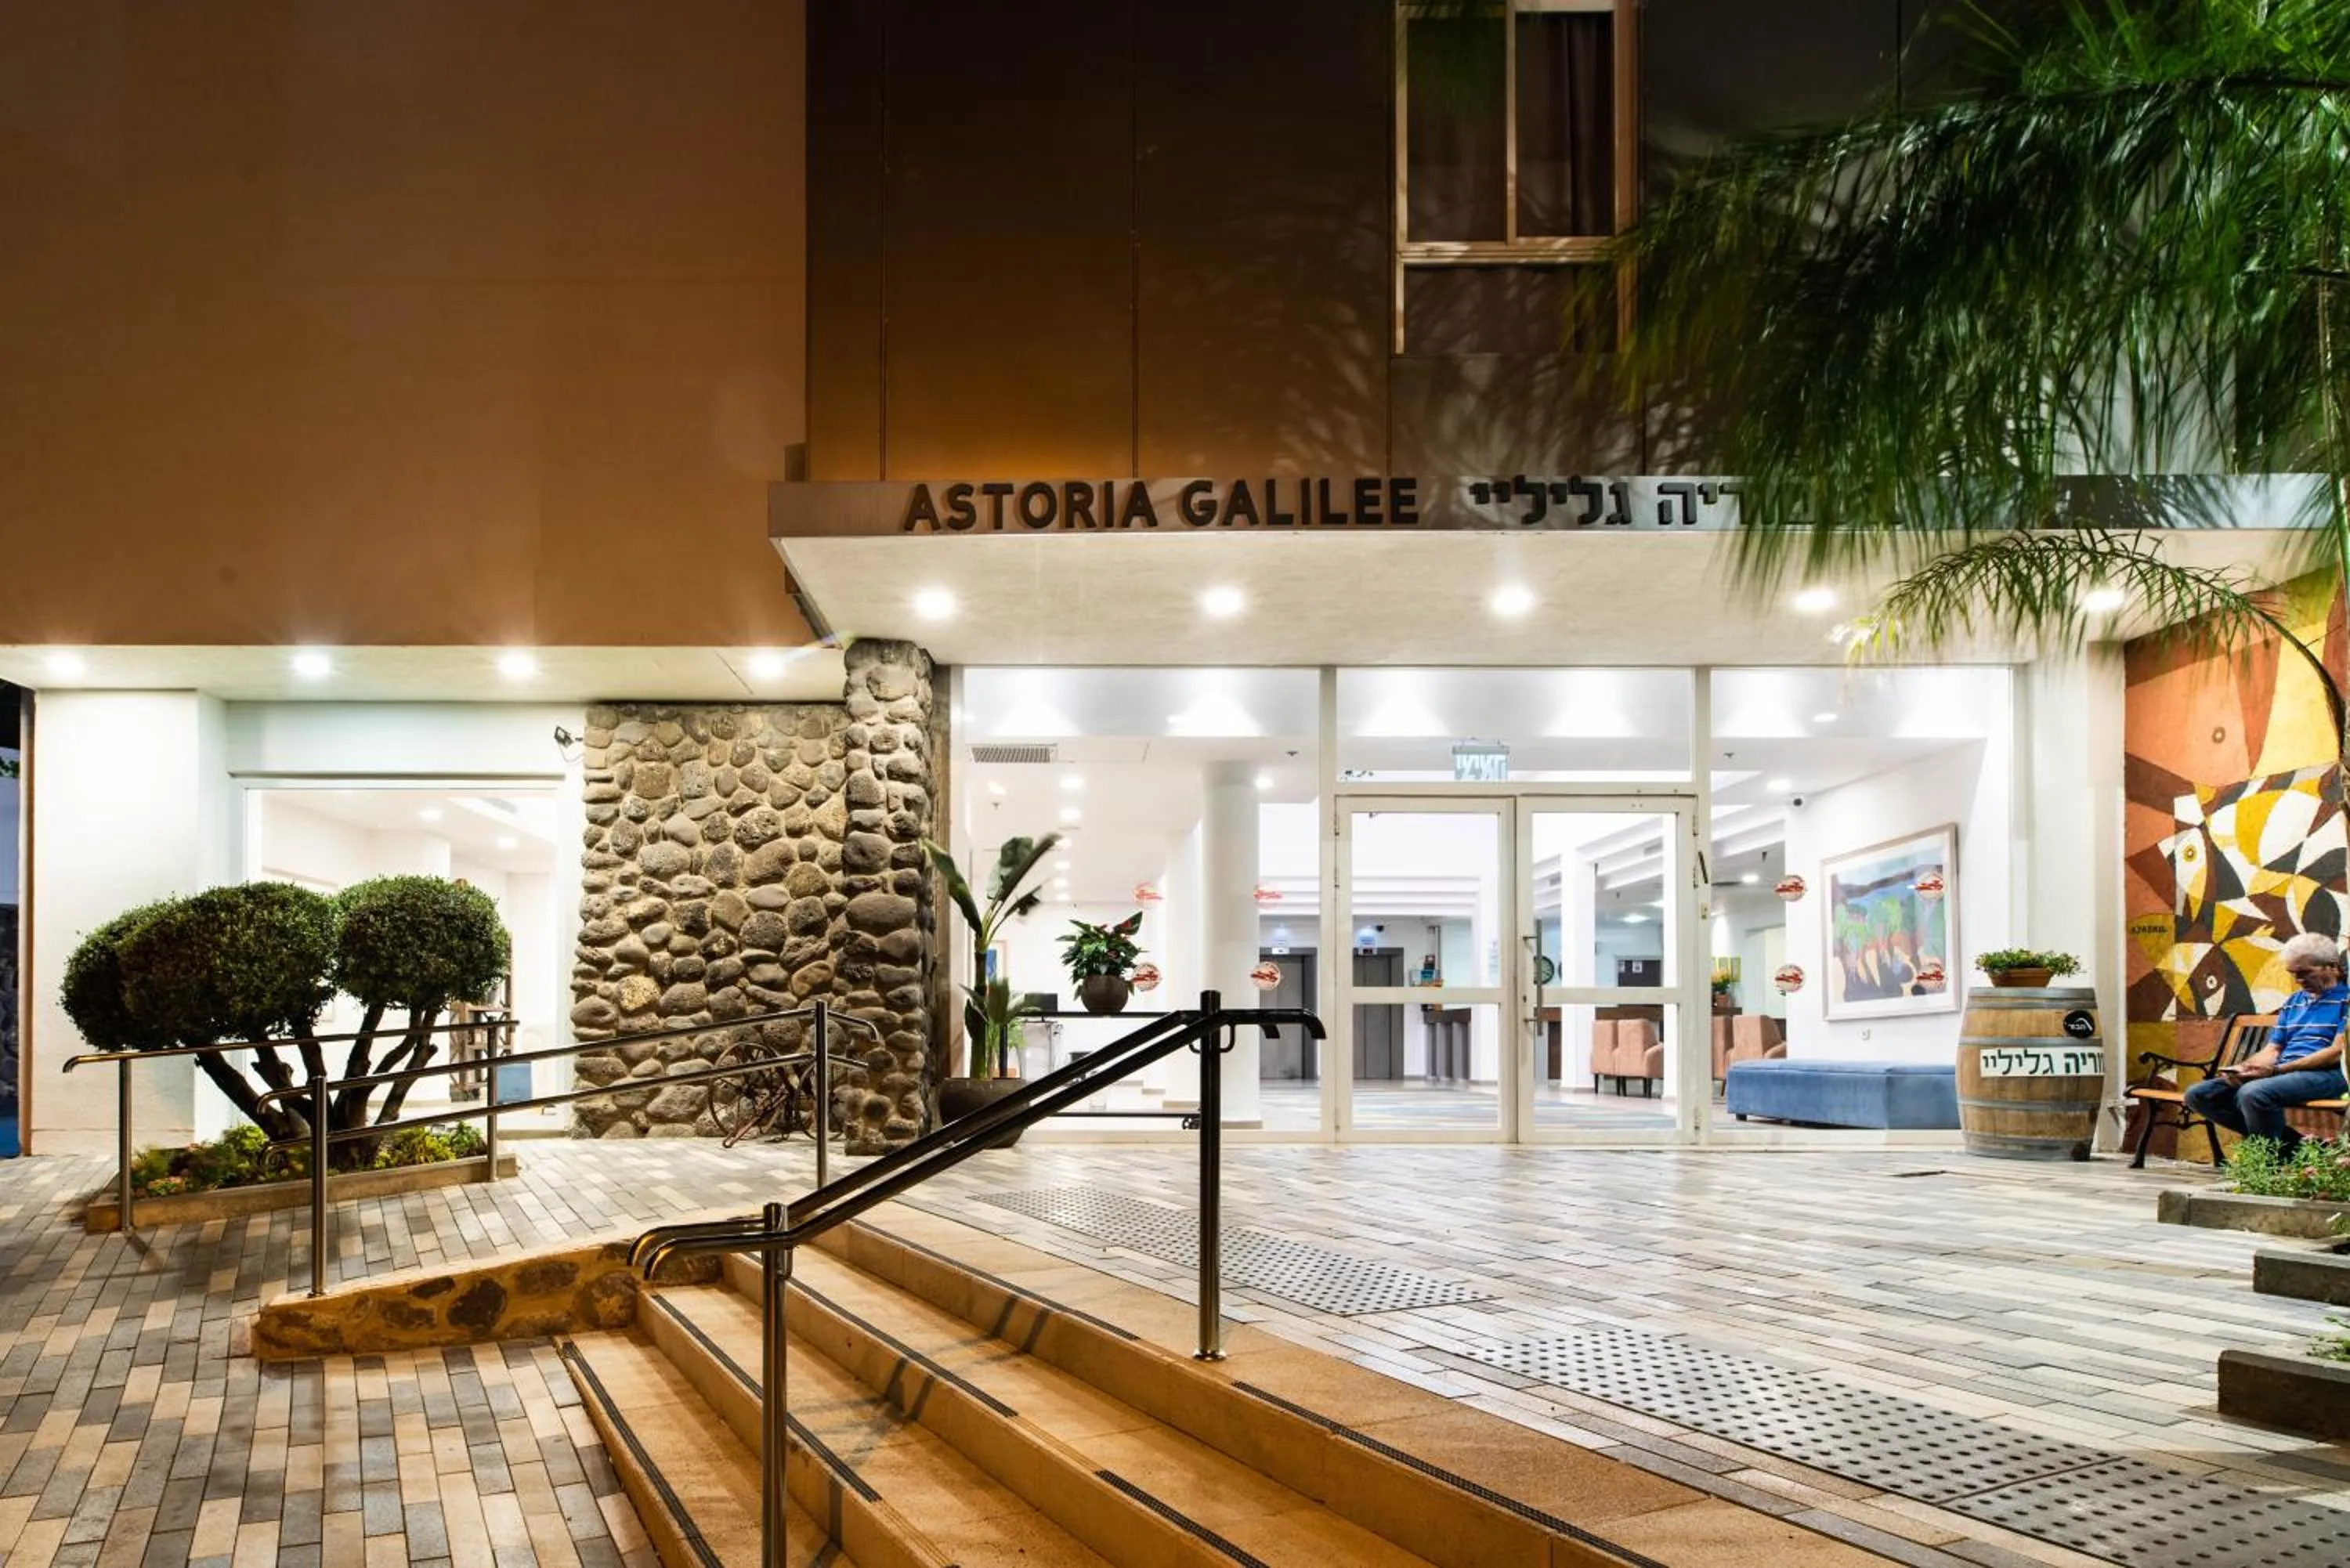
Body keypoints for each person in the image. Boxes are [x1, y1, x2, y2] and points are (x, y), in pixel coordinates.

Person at [2183, 932, 2349, 1154]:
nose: (2298, 980)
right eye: (2293, 974)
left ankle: (2267, 1161)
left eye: (2305, 973)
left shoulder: (2346, 1000)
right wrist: (2246, 1068)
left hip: (2329, 1074)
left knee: (2254, 1093)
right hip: (2285, 1072)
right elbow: (2275, 1048)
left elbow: (2337, 1051)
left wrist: (2276, 1071)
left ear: (2332, 966)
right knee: (2198, 1095)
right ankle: (2300, 1148)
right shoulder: (2294, 1001)